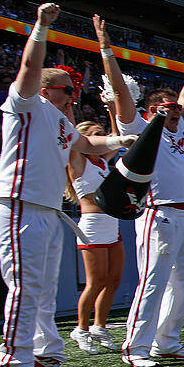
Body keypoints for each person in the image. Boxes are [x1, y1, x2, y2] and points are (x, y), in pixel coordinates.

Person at [0, 3, 135, 367]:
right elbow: (26, 70)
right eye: (66, 89)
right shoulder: (23, 103)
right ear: (45, 88)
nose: (73, 95)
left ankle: (46, 350)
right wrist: (40, 27)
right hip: (18, 203)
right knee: (25, 282)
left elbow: (85, 143)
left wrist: (121, 139)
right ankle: (15, 355)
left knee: (45, 285)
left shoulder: (57, 118)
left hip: (47, 209)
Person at [94, 14, 184, 367]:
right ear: (150, 112)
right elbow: (121, 97)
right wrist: (106, 50)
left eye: (175, 109)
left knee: (183, 280)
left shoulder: (177, 131)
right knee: (153, 282)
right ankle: (136, 347)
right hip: (157, 215)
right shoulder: (141, 127)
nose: (175, 112)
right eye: (167, 108)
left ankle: (168, 340)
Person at [66, 121, 124, 354]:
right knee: (96, 281)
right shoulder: (78, 159)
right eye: (97, 135)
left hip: (112, 224)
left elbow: (117, 136)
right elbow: (71, 137)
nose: (103, 139)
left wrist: (112, 105)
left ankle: (99, 326)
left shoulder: (101, 161)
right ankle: (81, 329)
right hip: (92, 226)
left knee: (114, 279)